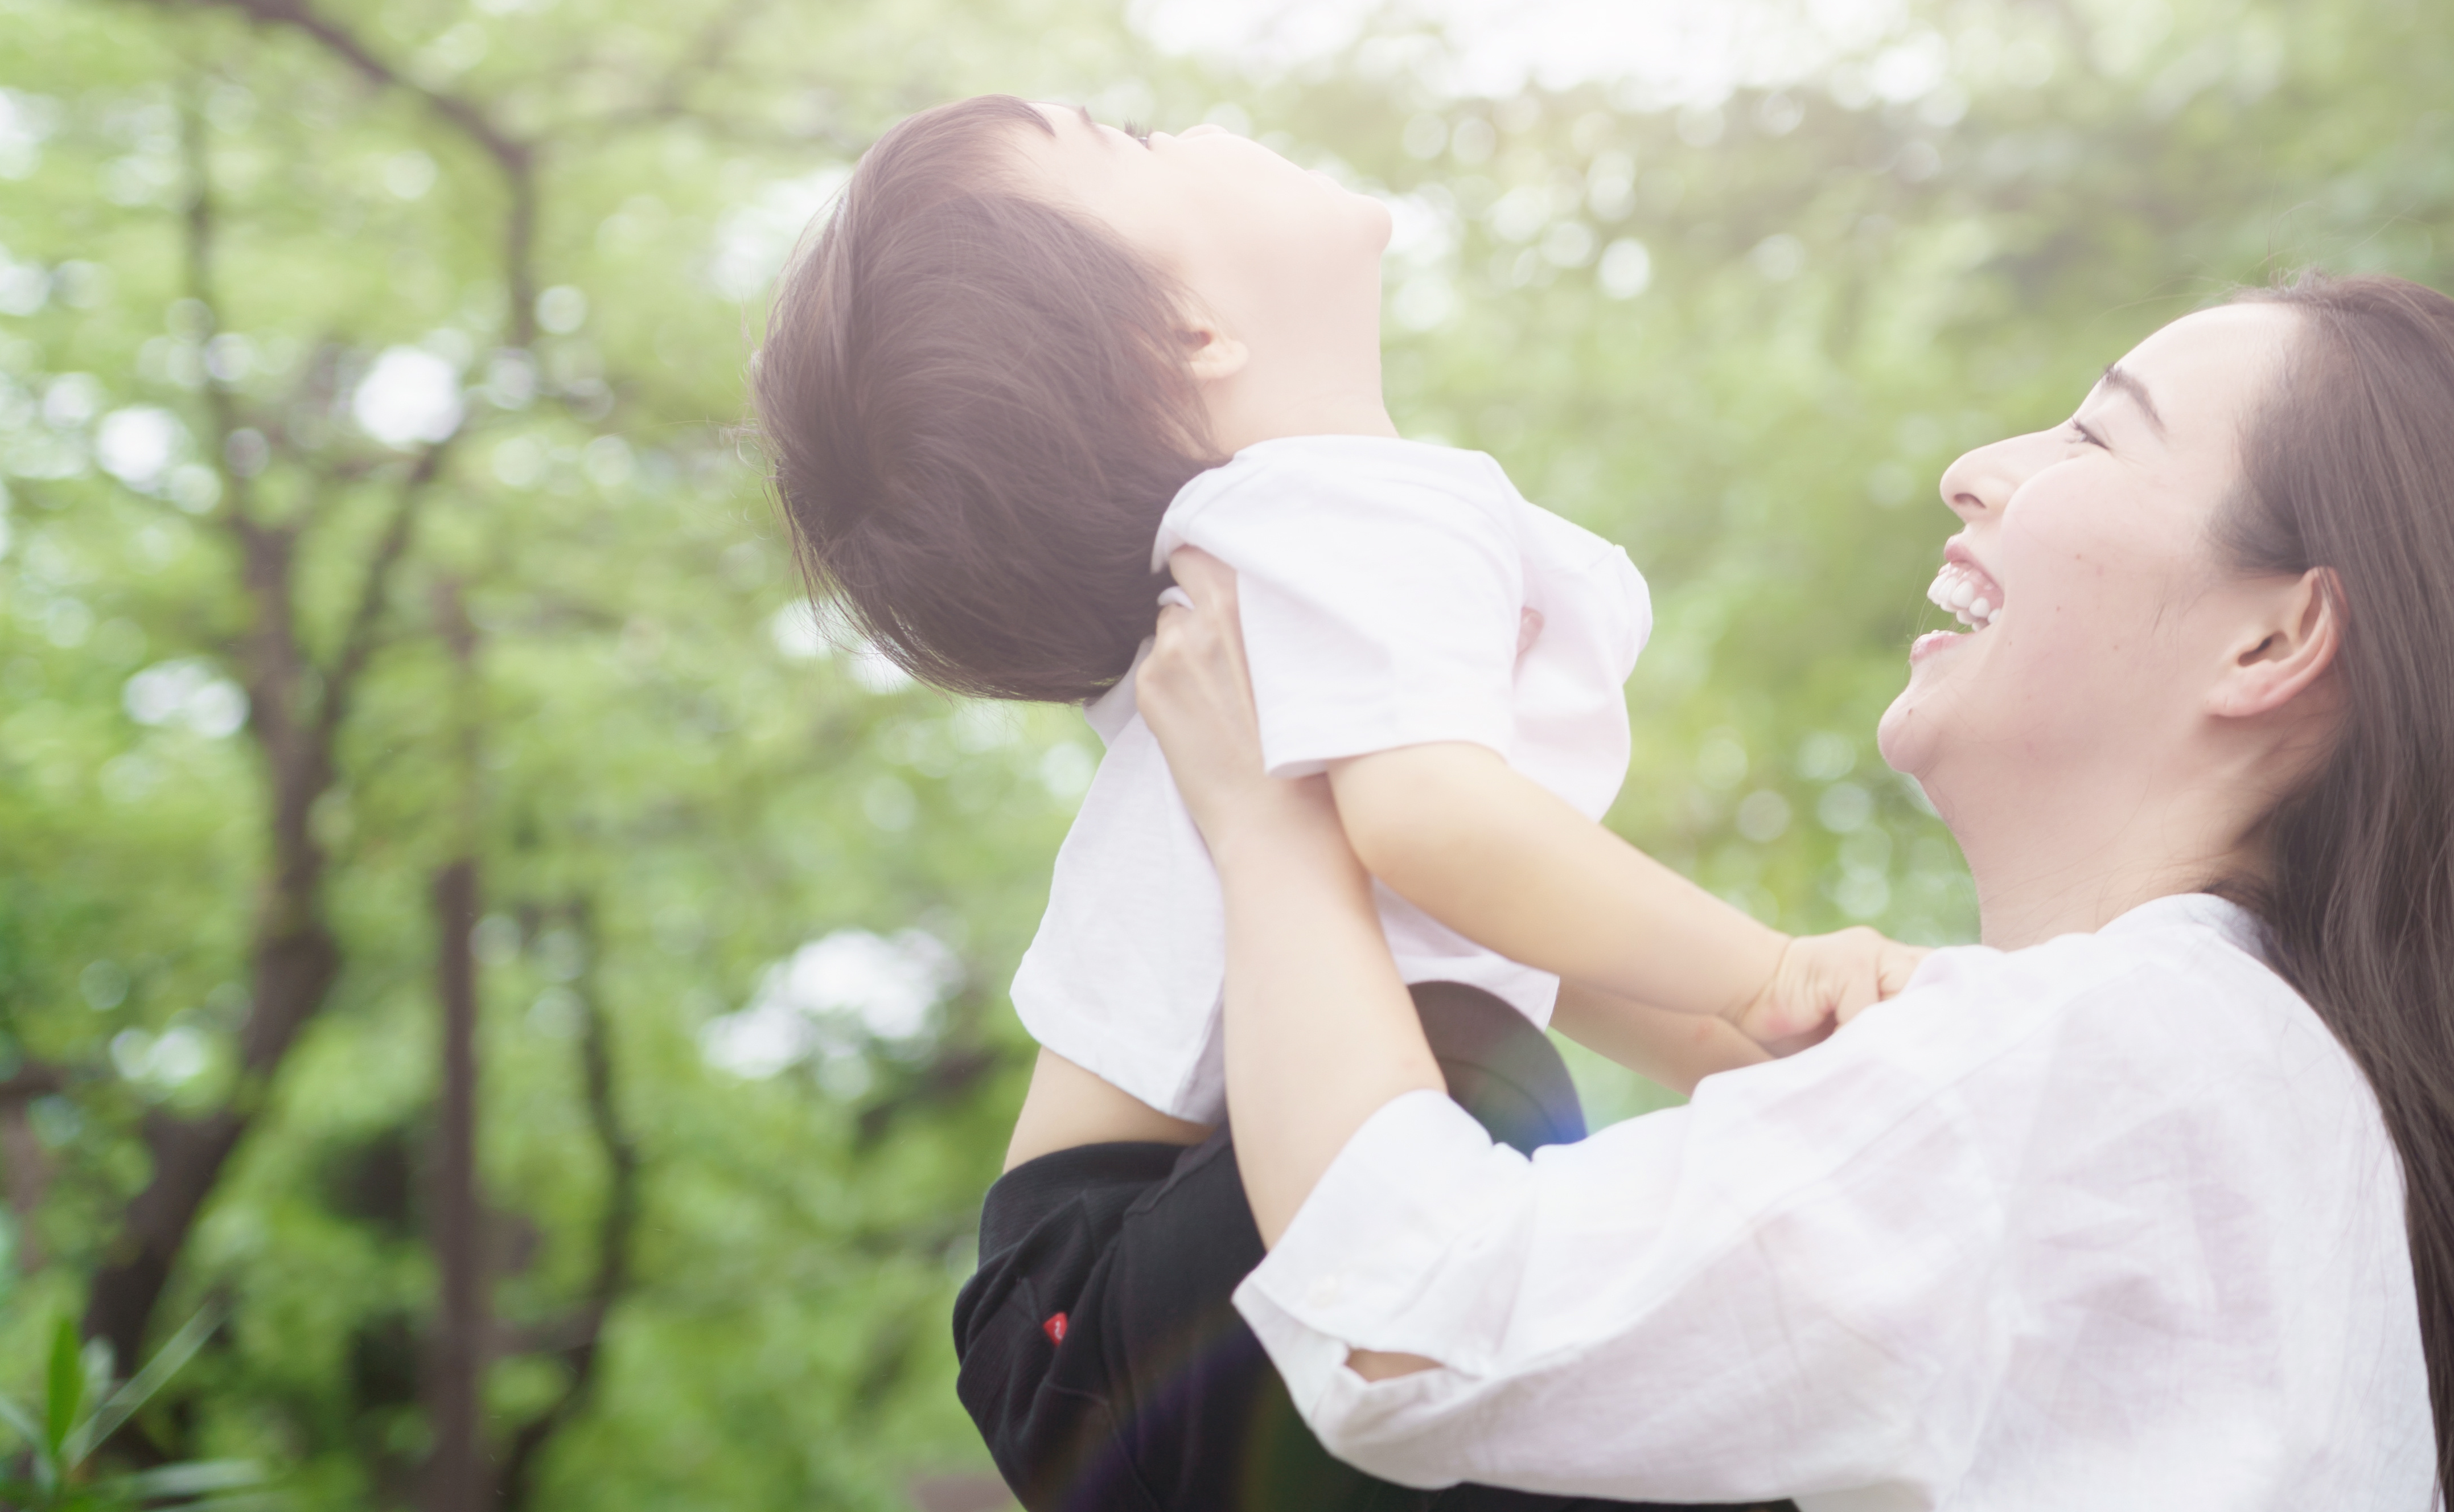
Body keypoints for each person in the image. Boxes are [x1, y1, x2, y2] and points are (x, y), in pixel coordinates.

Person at [1134, 274, 2454, 1512]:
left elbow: (1419, 1327)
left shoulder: (2118, 1057)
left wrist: (1268, 820)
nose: (1977, 463)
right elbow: (1790, 1049)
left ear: (2274, 639)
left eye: (2097, 433)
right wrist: (1417, 808)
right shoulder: (2235, 1070)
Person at [749, 96, 1902, 1510]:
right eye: (1134, 140)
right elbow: (1439, 832)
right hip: (1131, 1278)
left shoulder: (1292, 546)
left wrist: (1787, 1060)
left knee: (1491, 1100)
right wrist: (1773, 969)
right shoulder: (1340, 517)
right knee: (1496, 1123)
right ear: (1189, 334)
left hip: (1095, 1310)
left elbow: (1505, 924)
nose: (1196, 122)